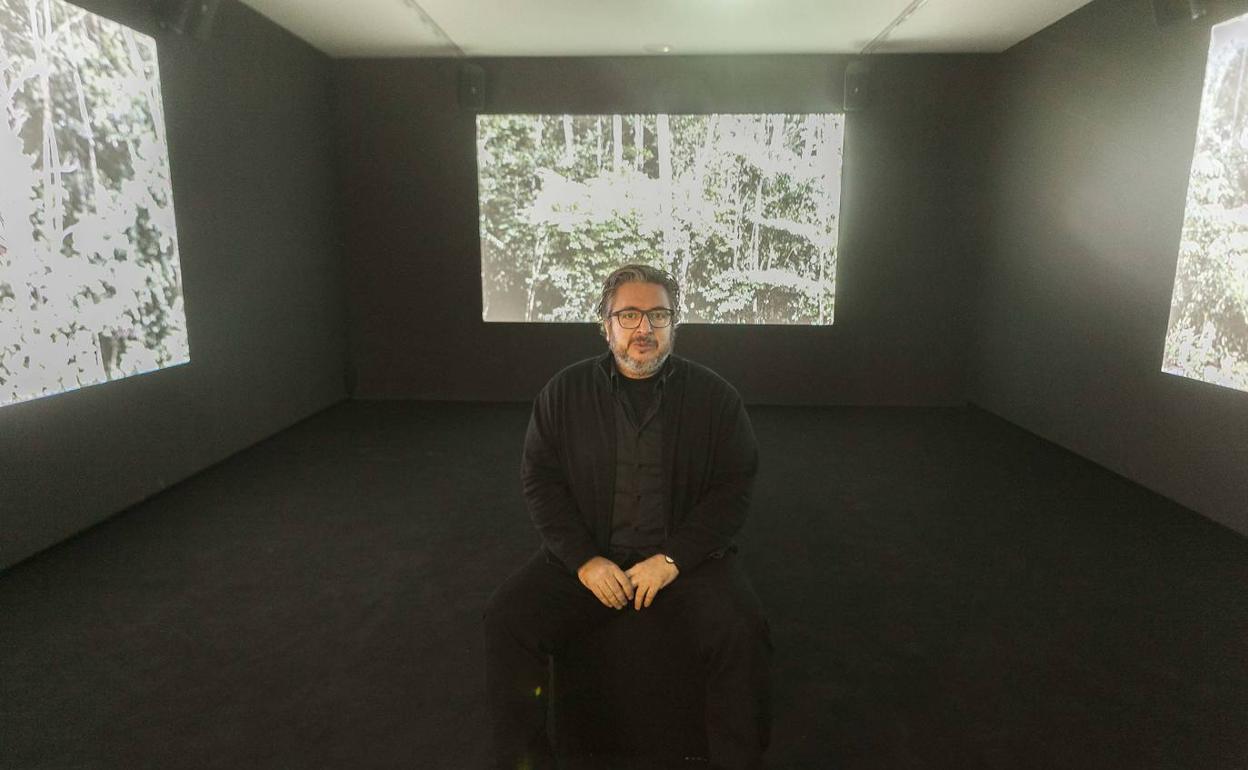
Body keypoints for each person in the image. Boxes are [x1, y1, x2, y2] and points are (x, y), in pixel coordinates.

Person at [483, 264, 772, 769]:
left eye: (658, 314)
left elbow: (733, 489)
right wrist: (583, 561)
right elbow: (541, 483)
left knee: (743, 631)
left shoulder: (716, 399)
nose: (645, 328)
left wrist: (673, 558)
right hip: (593, 558)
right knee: (507, 619)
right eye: (630, 314)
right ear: (605, 324)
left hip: (684, 561)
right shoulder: (564, 393)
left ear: (674, 323)